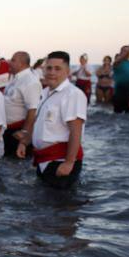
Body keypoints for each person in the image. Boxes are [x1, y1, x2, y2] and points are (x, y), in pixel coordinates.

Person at [17, 51, 87, 189]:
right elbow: (39, 122)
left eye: (57, 68)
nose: (52, 72)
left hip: (60, 161)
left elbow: (75, 131)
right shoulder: (45, 92)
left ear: (67, 71)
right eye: (49, 68)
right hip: (44, 160)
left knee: (61, 206)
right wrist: (25, 142)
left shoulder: (72, 94)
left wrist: (68, 163)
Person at [3, 51, 41, 155]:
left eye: (13, 60)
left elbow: (33, 110)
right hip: (8, 129)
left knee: (17, 166)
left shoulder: (30, 81)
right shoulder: (16, 78)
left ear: (22, 63)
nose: (10, 62)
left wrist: (25, 134)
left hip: (18, 131)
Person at [113, 45, 129, 113]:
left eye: (128, 51)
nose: (126, 52)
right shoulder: (117, 63)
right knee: (117, 114)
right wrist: (125, 52)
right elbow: (116, 62)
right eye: (124, 51)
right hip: (119, 93)